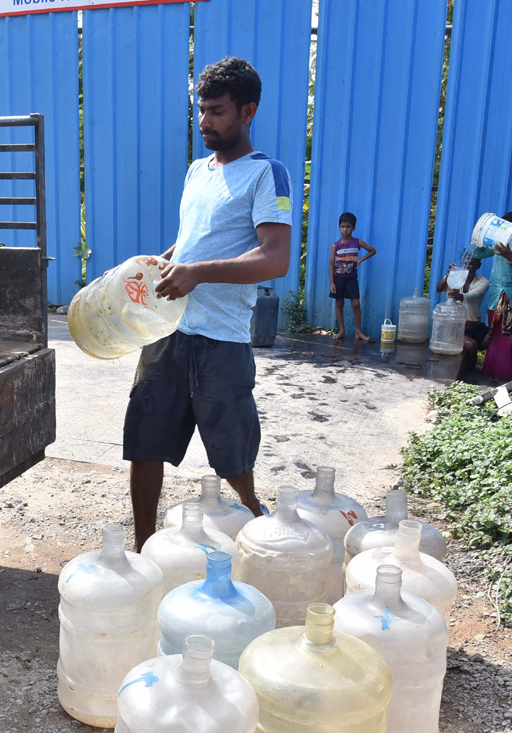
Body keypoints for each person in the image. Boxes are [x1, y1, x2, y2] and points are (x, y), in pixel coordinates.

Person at [124, 57, 292, 550]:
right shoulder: (197, 171)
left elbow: (275, 258)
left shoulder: (268, 174)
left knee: (232, 455)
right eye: (201, 111)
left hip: (221, 341)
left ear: (248, 111)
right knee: (145, 441)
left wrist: (196, 274)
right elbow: (192, 241)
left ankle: (259, 527)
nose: (204, 122)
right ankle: (143, 549)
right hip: (168, 334)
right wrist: (165, 261)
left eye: (217, 112)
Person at [469, 210, 512, 381]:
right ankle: (492, 374)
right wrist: (481, 235)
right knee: (496, 339)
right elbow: (477, 254)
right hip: (495, 299)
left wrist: (511, 257)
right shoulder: (499, 244)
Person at [434, 256, 489, 376]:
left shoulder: (482, 281)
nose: (468, 267)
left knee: (495, 339)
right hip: (456, 327)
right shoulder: (455, 276)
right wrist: (447, 276)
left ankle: (492, 370)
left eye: (471, 264)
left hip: (475, 326)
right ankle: (472, 375)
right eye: (466, 263)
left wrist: (460, 296)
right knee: (471, 345)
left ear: (478, 266)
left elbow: (476, 295)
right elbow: (439, 288)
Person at [329, 212, 376, 342]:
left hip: (351, 279)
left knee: (355, 304)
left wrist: (360, 260)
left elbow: (373, 250)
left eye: (348, 227)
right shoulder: (336, 245)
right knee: (339, 303)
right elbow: (331, 264)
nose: (345, 229)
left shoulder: (357, 242)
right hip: (338, 278)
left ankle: (359, 332)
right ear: (339, 227)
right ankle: (342, 330)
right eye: (343, 226)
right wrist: (332, 282)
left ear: (354, 228)